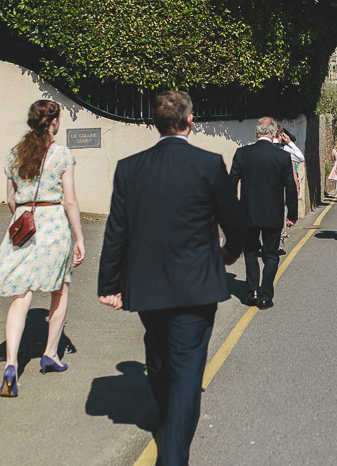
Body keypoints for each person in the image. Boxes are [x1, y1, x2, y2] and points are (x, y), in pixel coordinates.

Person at [98, 91, 244, 466]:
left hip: (147, 286)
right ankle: (174, 455)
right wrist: (229, 253)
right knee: (187, 370)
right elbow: (234, 223)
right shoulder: (210, 164)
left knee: (159, 358)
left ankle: (167, 421)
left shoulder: (130, 167)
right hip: (197, 286)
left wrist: (109, 284)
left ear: (154, 123)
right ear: (190, 121)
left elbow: (117, 231)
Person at [0, 100, 84, 398]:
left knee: (22, 295)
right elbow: (70, 201)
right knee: (59, 291)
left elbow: (10, 197)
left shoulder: (14, 154)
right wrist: (79, 236)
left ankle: (11, 364)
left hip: (24, 224)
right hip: (54, 226)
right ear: (54, 122)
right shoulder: (61, 154)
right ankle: (50, 354)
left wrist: (22, 218)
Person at [231, 117, 298, 310]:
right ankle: (265, 296)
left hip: (248, 213)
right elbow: (290, 187)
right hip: (273, 214)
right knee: (271, 255)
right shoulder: (282, 157)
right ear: (274, 133)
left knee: (250, 250)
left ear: (256, 132)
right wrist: (291, 215)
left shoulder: (242, 154)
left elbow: (230, 183)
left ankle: (251, 291)